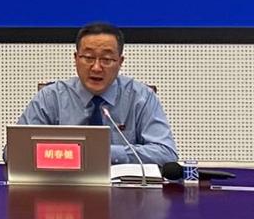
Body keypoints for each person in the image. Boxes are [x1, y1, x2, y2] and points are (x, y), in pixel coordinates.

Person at [16, 21, 177, 166]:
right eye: (88, 57)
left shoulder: (141, 97)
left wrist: (104, 152)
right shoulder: (51, 97)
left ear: (120, 62)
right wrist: (70, 154)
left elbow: (166, 153)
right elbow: (13, 151)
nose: (96, 68)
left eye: (106, 59)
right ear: (75, 59)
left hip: (124, 188)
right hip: (62, 184)